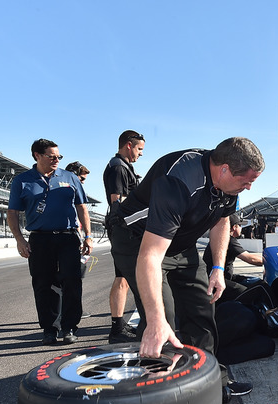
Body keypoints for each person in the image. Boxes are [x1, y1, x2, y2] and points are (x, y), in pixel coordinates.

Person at [107, 137, 264, 360]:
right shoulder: (178, 179)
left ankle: (209, 381)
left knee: (202, 308)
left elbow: (222, 220)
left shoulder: (229, 184)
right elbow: (150, 255)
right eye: (246, 181)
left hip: (181, 243)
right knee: (163, 318)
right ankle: (160, 385)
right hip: (137, 239)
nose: (248, 187)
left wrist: (218, 268)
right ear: (224, 170)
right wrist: (155, 320)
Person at [8, 139, 92, 345]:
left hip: (68, 237)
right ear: (37, 155)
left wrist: (88, 236)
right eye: (51, 156)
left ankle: (70, 327)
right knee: (43, 283)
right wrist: (19, 239)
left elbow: (82, 207)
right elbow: (12, 212)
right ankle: (49, 329)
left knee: (72, 282)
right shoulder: (22, 180)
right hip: (40, 238)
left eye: (59, 156)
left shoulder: (70, 177)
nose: (56, 160)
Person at [103, 130, 145, 343]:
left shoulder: (123, 166)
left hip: (124, 228)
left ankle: (118, 326)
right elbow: (116, 200)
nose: (140, 154)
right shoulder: (118, 167)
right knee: (124, 278)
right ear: (128, 145)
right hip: (124, 229)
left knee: (124, 279)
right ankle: (116, 329)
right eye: (139, 149)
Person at [203, 213, 264, 302]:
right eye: (240, 225)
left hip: (221, 277)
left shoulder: (225, 240)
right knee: (252, 293)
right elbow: (250, 258)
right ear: (234, 227)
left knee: (256, 282)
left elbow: (250, 255)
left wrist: (266, 255)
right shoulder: (229, 240)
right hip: (217, 280)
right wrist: (271, 261)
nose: (241, 228)